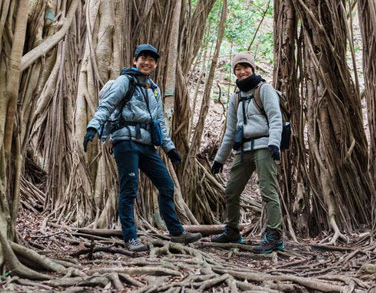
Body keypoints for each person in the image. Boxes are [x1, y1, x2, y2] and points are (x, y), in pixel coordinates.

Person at [83, 43, 201, 252]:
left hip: (146, 145)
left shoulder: (153, 89)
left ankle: (176, 232)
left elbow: (159, 122)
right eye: (143, 58)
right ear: (135, 61)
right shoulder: (124, 81)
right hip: (125, 142)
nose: (147, 62)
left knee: (166, 185)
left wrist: (169, 148)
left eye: (151, 59)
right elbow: (107, 105)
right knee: (130, 189)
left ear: (155, 64)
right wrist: (93, 126)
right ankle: (131, 238)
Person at [208, 52, 285, 253]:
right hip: (243, 150)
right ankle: (232, 231)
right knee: (231, 191)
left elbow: (275, 118)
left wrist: (274, 144)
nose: (242, 72)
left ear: (253, 68)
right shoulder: (236, 97)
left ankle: (275, 236)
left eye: (245, 67)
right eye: (237, 69)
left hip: (264, 146)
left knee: (268, 191)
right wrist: (219, 159)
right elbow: (231, 131)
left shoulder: (264, 89)